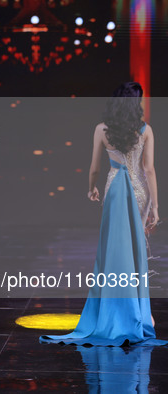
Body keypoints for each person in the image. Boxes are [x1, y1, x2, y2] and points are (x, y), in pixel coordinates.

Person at [40, 82, 165, 346]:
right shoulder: (145, 130)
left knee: (112, 251)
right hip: (139, 190)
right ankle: (143, 316)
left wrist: (91, 189)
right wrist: (155, 204)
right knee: (135, 250)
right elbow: (149, 169)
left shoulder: (102, 129)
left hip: (114, 190)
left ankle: (113, 313)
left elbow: (94, 167)